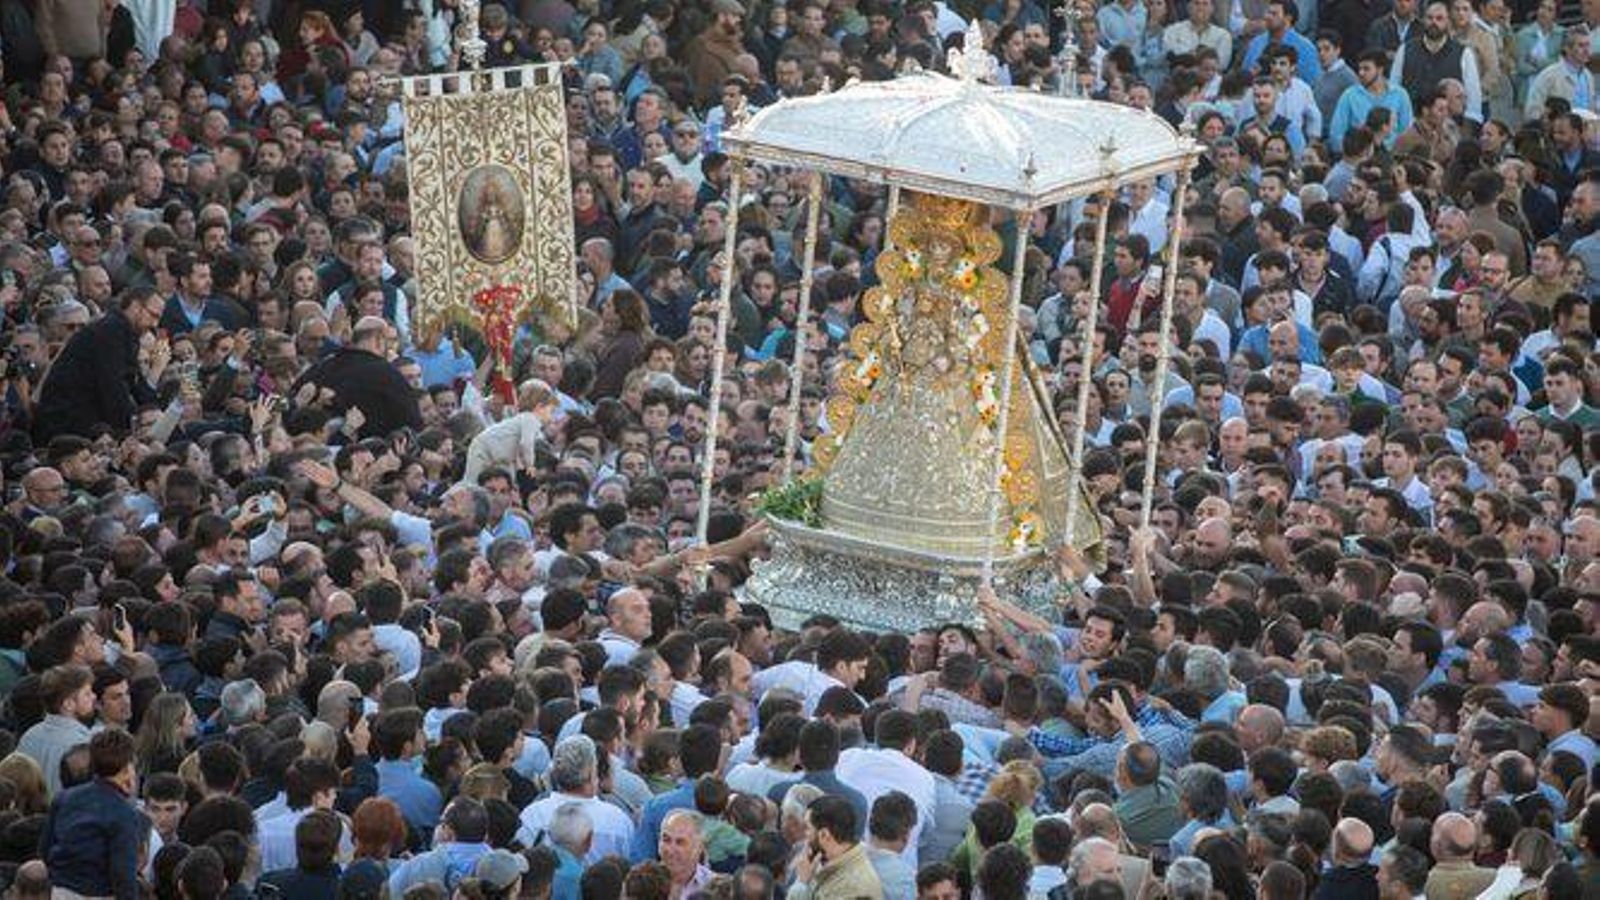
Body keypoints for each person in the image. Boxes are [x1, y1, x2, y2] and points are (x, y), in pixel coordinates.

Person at [32, 287, 163, 442]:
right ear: (135, 306)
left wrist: (158, 410)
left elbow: (135, 382)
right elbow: (113, 387)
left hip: (83, 418)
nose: (155, 324)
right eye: (152, 315)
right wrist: (129, 431)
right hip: (67, 425)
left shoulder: (123, 332)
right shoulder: (110, 331)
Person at [40, 729, 146, 900]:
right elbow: (123, 875)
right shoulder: (124, 813)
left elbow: (45, 849)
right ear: (127, 767)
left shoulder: (64, 798)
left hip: (58, 891)